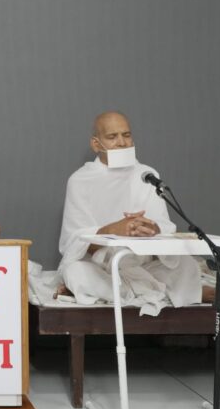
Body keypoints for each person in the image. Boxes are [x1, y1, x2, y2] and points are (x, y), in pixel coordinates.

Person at [56, 111, 211, 315]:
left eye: (126, 135)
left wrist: (152, 228)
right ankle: (160, 292)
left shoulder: (147, 174)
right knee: (75, 272)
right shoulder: (80, 180)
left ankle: (125, 293)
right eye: (112, 137)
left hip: (144, 265)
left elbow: (164, 226)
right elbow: (74, 241)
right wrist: (114, 229)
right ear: (96, 144)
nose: (122, 142)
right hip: (102, 269)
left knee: (187, 265)